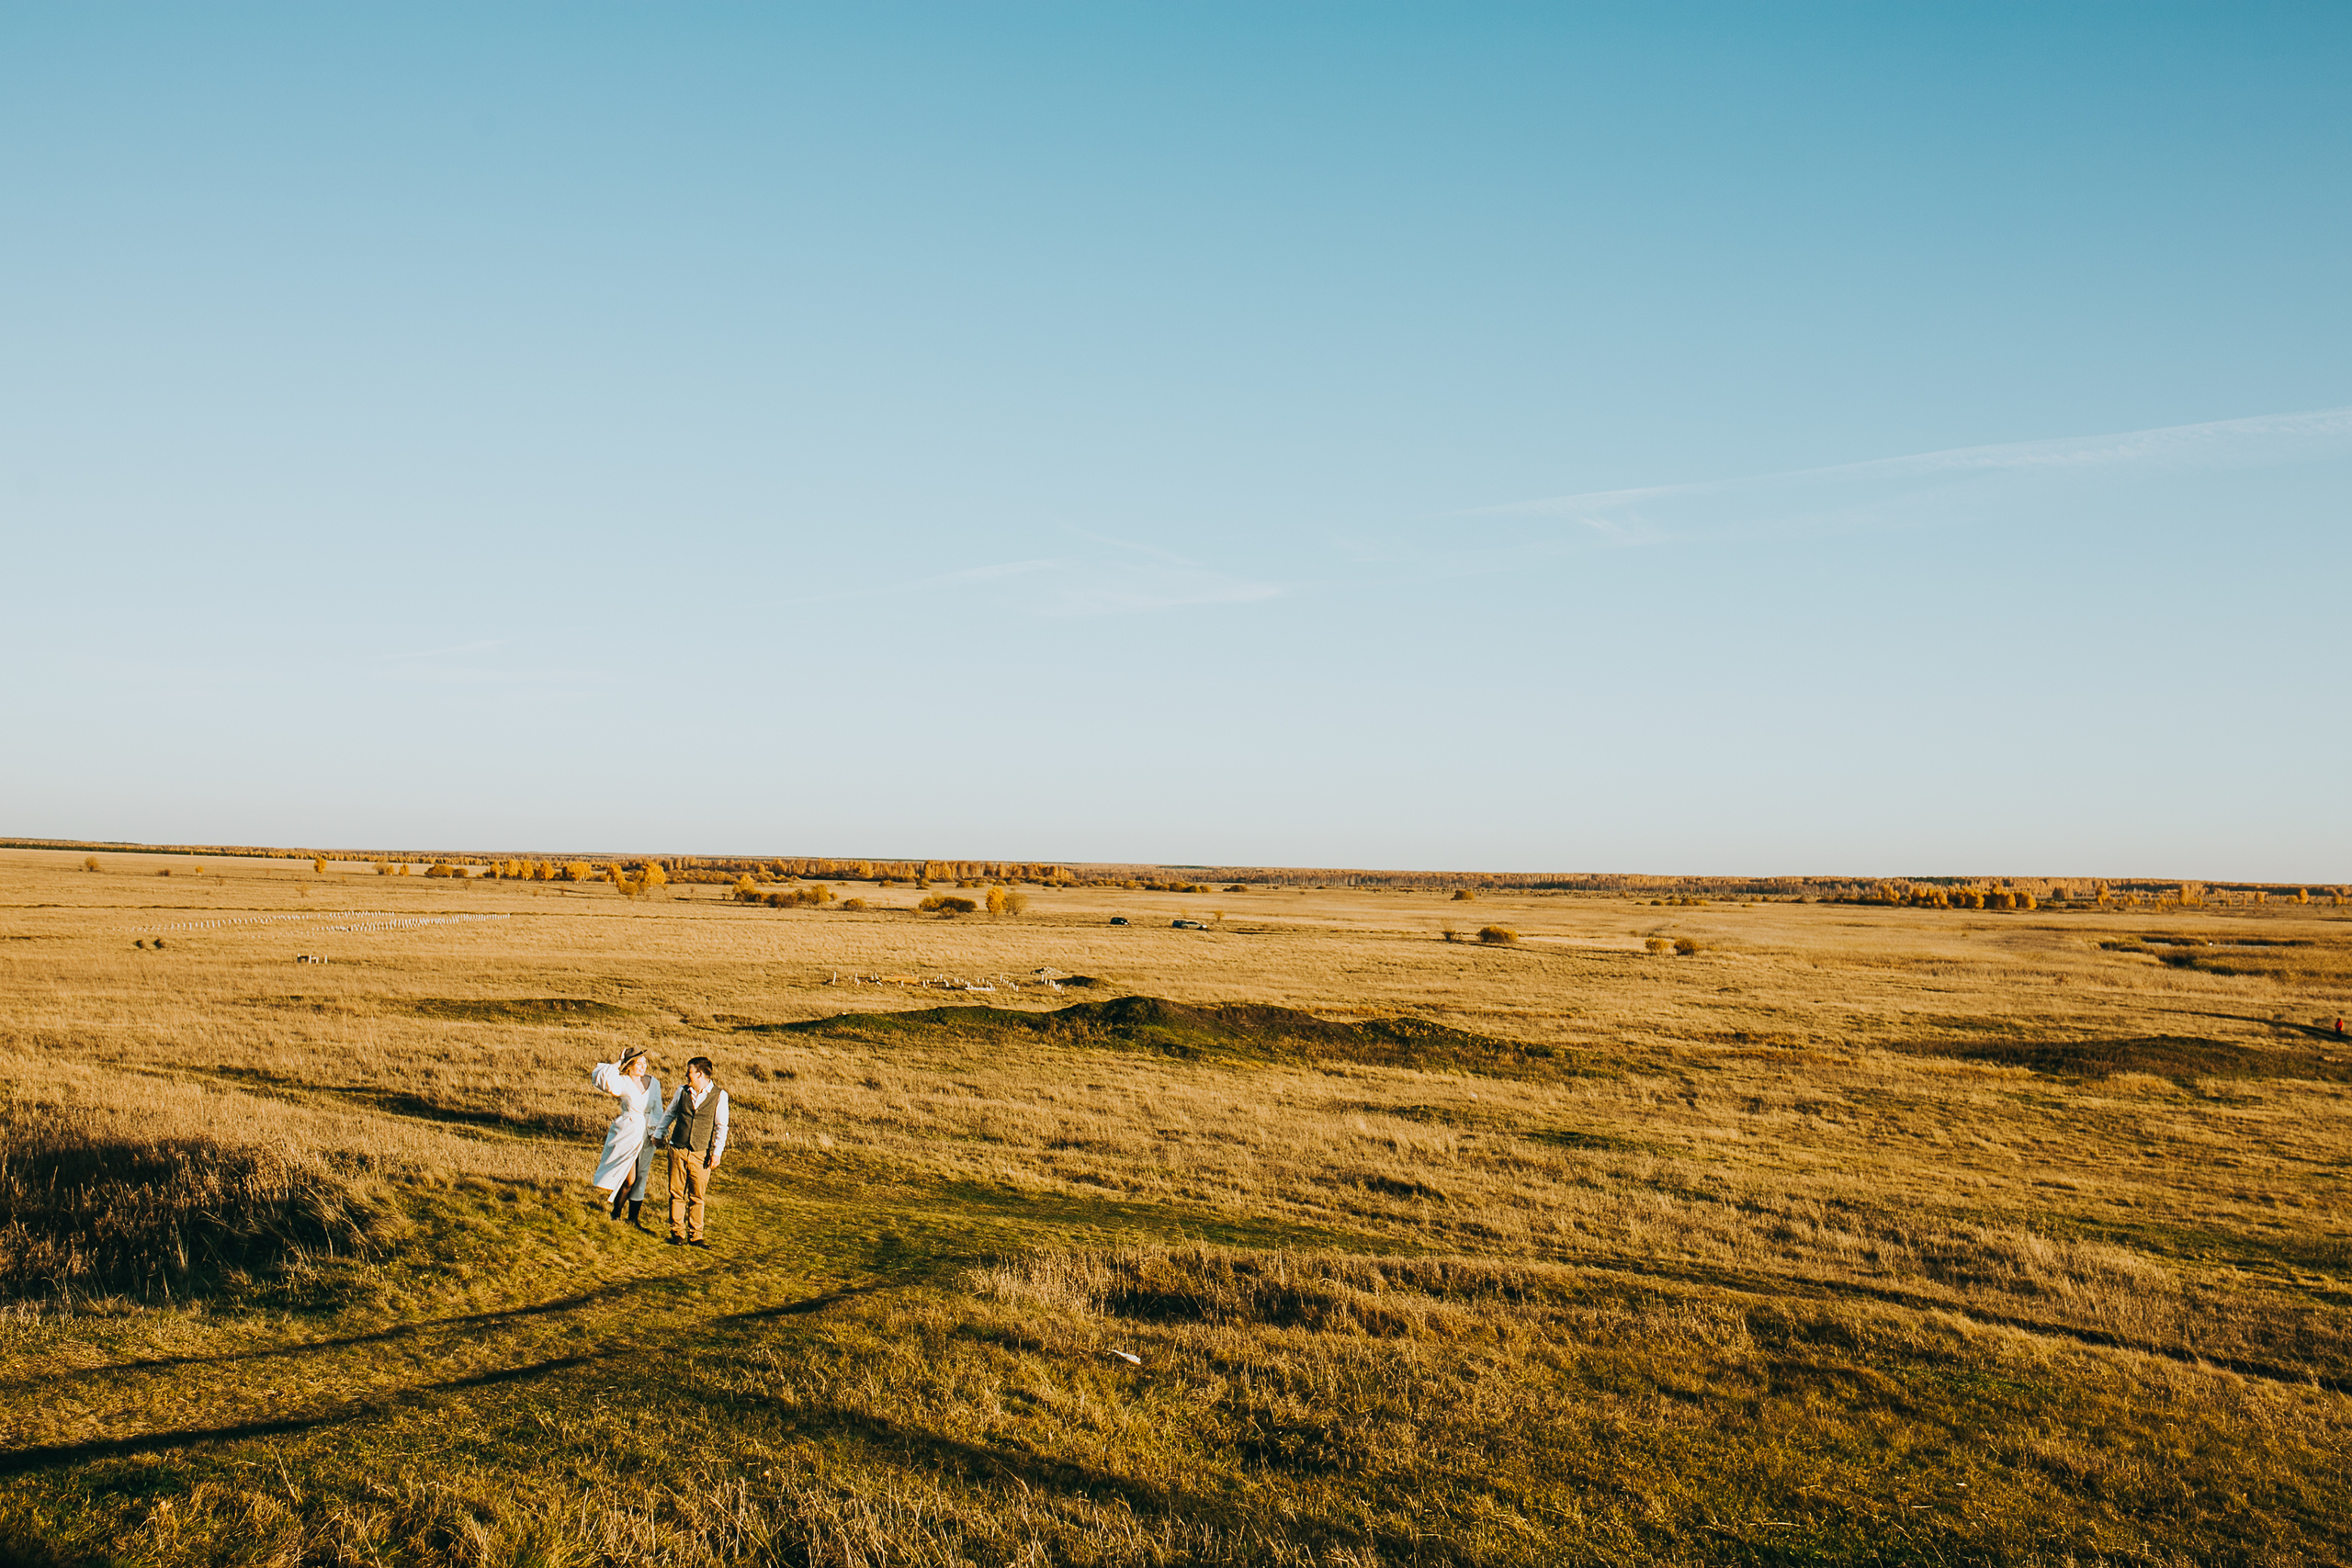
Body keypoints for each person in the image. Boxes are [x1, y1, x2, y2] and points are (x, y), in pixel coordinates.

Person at [588, 1047, 662, 1229]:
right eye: (639, 1063)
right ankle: (615, 1214)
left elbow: (658, 1108)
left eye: (645, 1062)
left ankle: (633, 1219)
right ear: (630, 1066)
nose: (643, 1066)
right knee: (630, 1178)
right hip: (629, 1131)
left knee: (641, 1175)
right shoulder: (623, 1082)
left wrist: (658, 1133)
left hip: (648, 1132)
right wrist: (619, 1062)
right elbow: (600, 1078)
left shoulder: (654, 1083)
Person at [662, 1056, 729, 1248]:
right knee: (676, 1192)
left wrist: (717, 1153)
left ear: (699, 1074)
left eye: (689, 1071)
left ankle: (696, 1235)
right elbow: (670, 1113)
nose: (686, 1075)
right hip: (678, 1148)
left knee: (697, 1195)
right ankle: (677, 1233)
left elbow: (721, 1127)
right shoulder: (681, 1091)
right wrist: (660, 1133)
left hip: (700, 1152)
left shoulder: (719, 1095)